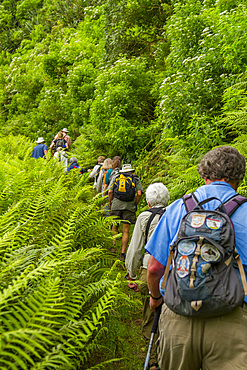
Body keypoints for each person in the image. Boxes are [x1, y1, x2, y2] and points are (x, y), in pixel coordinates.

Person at [146, 146, 247, 370]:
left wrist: (155, 298)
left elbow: (154, 268)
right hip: (233, 319)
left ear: (203, 175)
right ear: (239, 179)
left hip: (178, 315)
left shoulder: (178, 208)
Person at [125, 183, 170, 370]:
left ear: (148, 201)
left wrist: (132, 274)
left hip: (149, 269)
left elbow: (135, 249)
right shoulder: (173, 214)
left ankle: (152, 361)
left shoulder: (145, 216)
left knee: (151, 312)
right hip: (172, 271)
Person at [108, 163, 143, 261]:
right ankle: (123, 253)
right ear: (131, 171)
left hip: (116, 205)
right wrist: (135, 203)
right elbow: (139, 193)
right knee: (125, 231)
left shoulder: (116, 177)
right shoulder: (135, 179)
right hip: (129, 206)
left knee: (114, 227)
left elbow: (110, 191)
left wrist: (111, 203)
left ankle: (113, 247)